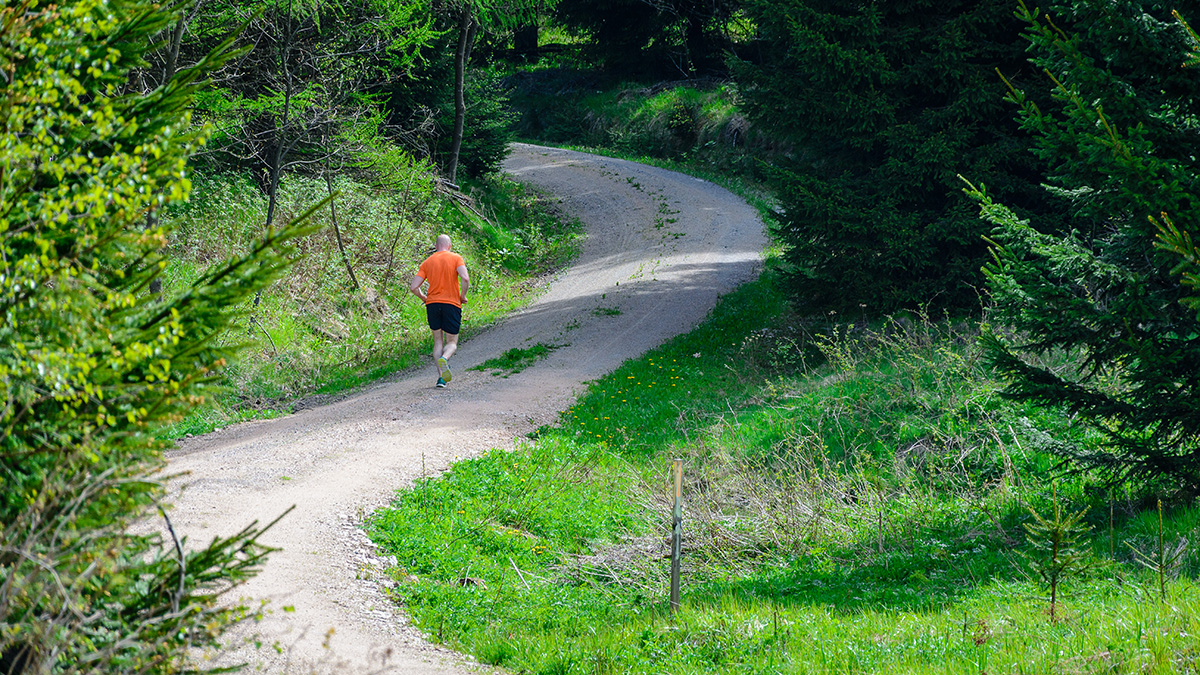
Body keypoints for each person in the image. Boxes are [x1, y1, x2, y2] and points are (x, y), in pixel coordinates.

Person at [410, 234, 470, 388]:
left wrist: (424, 298)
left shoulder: (427, 262)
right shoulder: (456, 258)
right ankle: (445, 357)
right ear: (449, 246)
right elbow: (465, 278)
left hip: (433, 305)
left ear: (436, 246)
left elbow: (413, 287)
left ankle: (441, 378)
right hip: (451, 304)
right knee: (452, 342)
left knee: (438, 341)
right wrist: (462, 296)